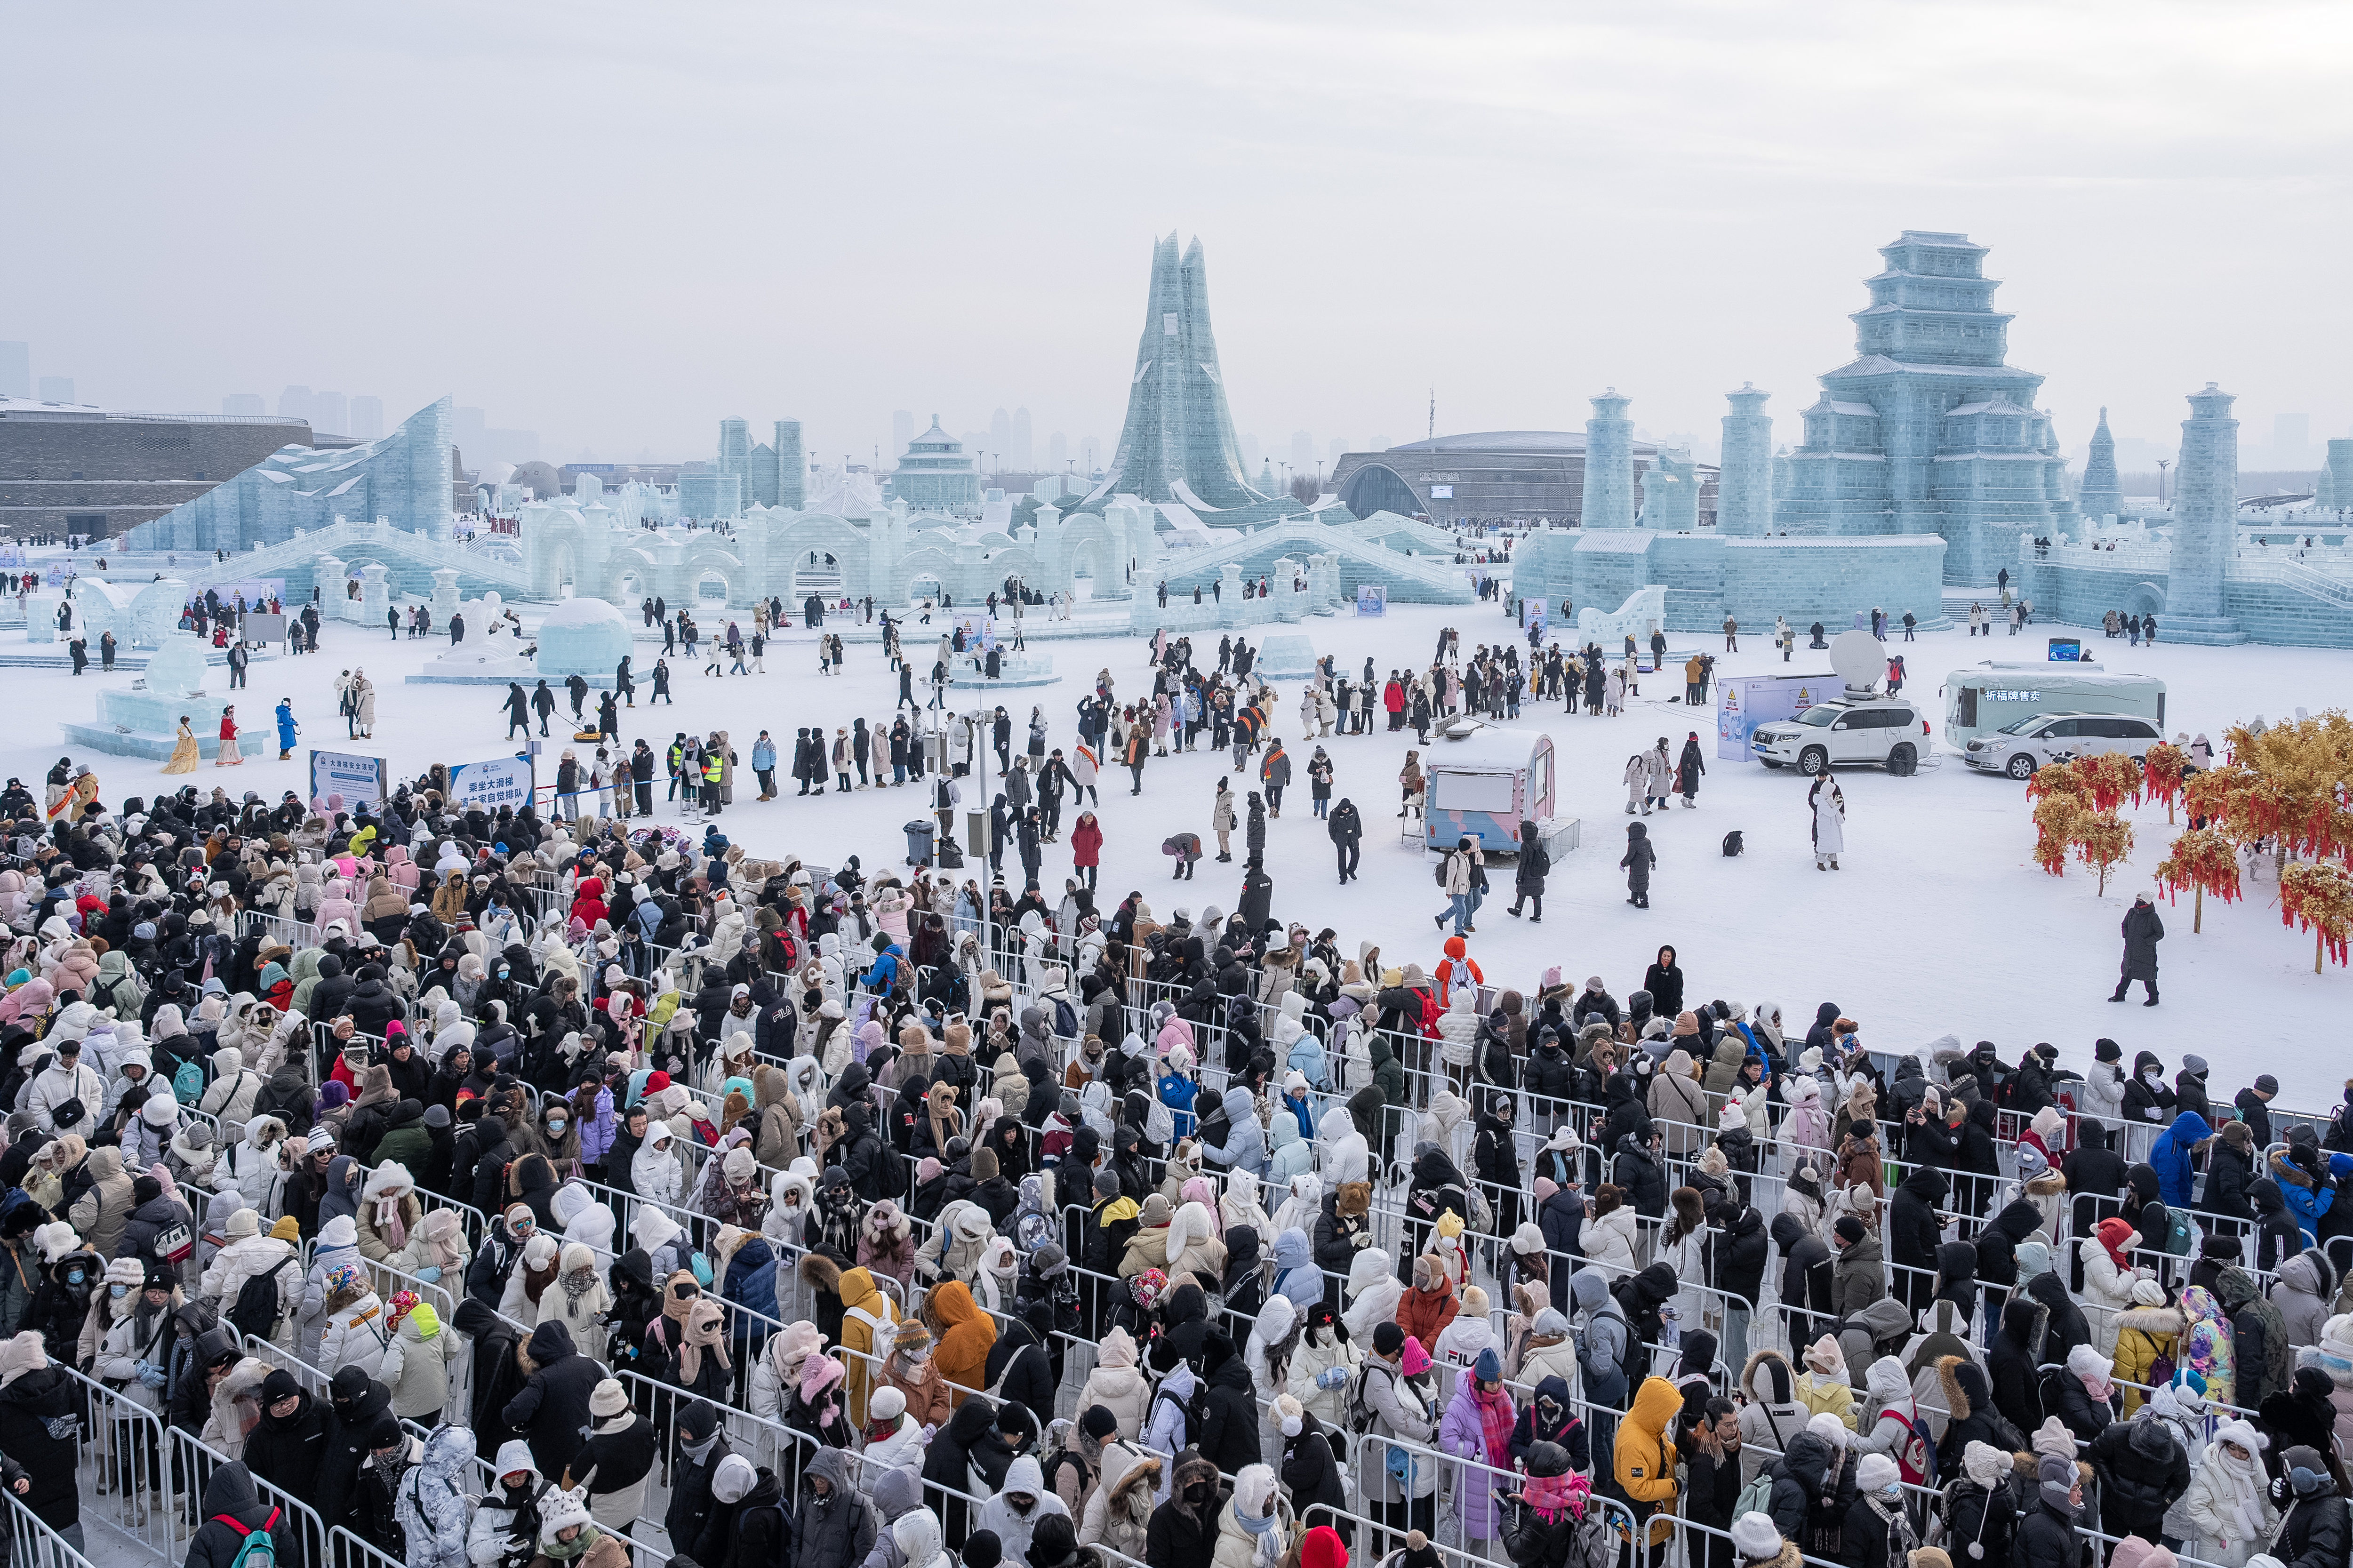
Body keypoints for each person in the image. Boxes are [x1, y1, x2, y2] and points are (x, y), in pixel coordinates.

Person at [2112, 894, 2163, 1006]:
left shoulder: (2153, 917)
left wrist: (2146, 942)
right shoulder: (2132, 912)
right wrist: (2127, 936)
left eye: (2141, 900)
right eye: (2137, 899)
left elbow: (2160, 934)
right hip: (2130, 951)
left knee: (2148, 976)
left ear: (2147, 902)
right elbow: (2124, 925)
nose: (2138, 902)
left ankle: (2154, 999)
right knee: (2127, 974)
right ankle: (2120, 995)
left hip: (2146, 953)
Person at [1810, 770, 1844, 872]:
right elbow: (1830, 811)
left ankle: (1834, 861)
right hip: (1824, 824)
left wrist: (1840, 809)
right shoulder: (1821, 801)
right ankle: (1820, 860)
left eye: (1823, 777)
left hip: (1832, 824)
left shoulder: (1831, 792)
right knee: (1823, 843)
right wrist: (1837, 806)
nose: (1821, 779)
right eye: (1820, 777)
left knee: (1833, 842)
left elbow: (1838, 800)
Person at [1621, 821, 1654, 909]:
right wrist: (1653, 861)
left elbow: (1630, 856)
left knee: (1639, 883)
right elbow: (1651, 852)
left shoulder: (1634, 843)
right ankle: (1634, 899)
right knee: (1637, 882)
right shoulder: (1647, 841)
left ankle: (1644, 902)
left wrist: (1623, 864)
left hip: (1636, 867)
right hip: (1644, 866)